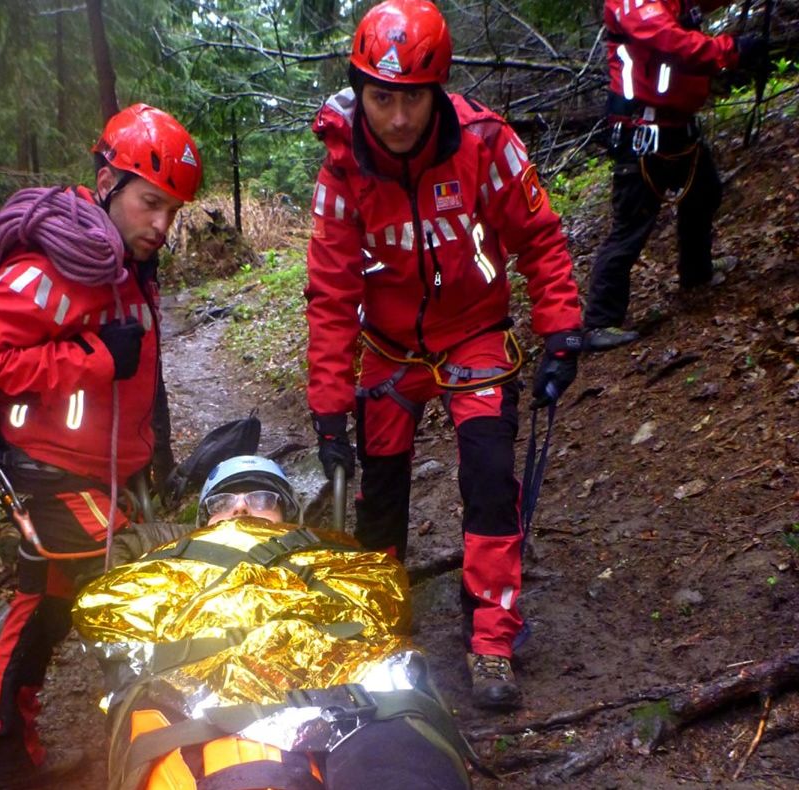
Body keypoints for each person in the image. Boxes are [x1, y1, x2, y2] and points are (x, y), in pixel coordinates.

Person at [304, 0, 583, 711]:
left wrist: (561, 329)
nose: (399, 118)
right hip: (388, 349)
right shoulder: (342, 169)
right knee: (380, 493)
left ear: (438, 91)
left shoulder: (485, 143)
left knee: (489, 478)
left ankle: (491, 638)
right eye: (382, 99)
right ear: (360, 92)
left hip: (474, 333)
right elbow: (331, 294)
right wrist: (328, 410)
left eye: (414, 98)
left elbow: (539, 237)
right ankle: (379, 626)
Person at [0, 103, 202, 789]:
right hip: (54, 476)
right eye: (150, 203)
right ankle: (164, 762)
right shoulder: (56, 265)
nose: (161, 225)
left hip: (99, 472)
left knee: (44, 611)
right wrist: (92, 358)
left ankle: (9, 758)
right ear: (108, 182)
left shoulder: (130, 265)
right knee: (129, 604)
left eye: (172, 211)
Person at [74, 455, 481, 789]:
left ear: (288, 515)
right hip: (211, 695)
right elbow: (109, 615)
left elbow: (383, 600)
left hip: (350, 684)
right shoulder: (168, 562)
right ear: (204, 523)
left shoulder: (329, 554)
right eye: (222, 502)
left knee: (402, 772)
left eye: (261, 498)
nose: (240, 508)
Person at [583, 0, 765, 350]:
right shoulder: (633, 3)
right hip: (641, 131)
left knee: (704, 191)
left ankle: (697, 273)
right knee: (632, 224)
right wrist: (731, 51)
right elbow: (671, 42)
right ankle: (599, 322)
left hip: (677, 125)